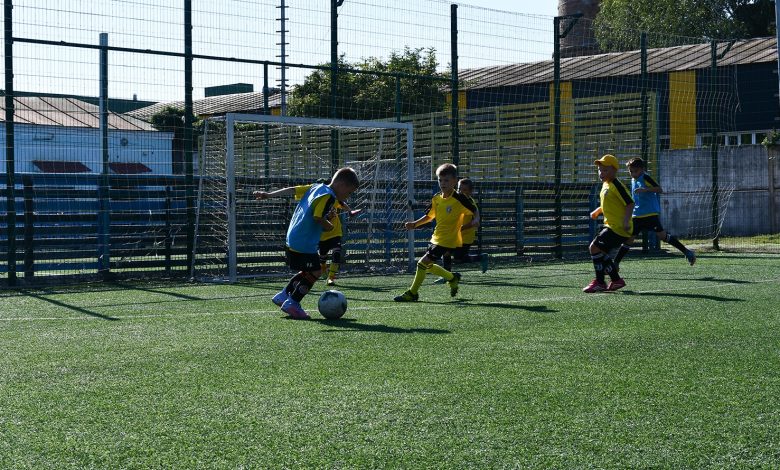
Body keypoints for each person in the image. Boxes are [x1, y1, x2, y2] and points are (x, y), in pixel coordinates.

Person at [253, 168, 359, 319]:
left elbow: (292, 189)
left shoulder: (317, 187)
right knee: (316, 271)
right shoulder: (328, 196)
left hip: (293, 237)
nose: (348, 196)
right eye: (349, 192)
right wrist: (329, 225)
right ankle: (293, 302)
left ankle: (283, 295)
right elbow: (317, 217)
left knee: (307, 270)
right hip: (304, 240)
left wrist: (269, 195)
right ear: (342, 185)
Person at [394, 163, 477, 302]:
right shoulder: (436, 198)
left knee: (422, 263)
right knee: (429, 266)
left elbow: (474, 209)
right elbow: (430, 216)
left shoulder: (460, 198)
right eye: (440, 180)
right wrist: (415, 224)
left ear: (455, 181)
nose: (443, 183)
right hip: (437, 237)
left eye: (446, 180)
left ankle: (412, 293)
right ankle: (452, 277)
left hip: (449, 239)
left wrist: (477, 219)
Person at [613, 157, 696, 268]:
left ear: (642, 169)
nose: (632, 174)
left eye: (635, 171)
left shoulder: (645, 177)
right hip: (637, 215)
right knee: (629, 239)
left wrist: (645, 189)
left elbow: (659, 189)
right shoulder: (633, 180)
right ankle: (615, 263)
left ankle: (687, 252)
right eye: (630, 171)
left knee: (662, 236)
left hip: (650, 214)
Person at [584, 154, 634, 293]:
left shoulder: (616, 185)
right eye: (600, 170)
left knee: (594, 248)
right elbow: (610, 204)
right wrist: (598, 210)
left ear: (614, 170)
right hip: (612, 226)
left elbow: (630, 203)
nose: (601, 173)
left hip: (618, 227)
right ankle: (616, 280)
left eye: (605, 170)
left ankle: (600, 282)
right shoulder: (606, 185)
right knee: (600, 252)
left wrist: (626, 221)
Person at [434, 177, 488, 283]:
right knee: (446, 253)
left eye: (464, 190)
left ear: (470, 191)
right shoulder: (455, 200)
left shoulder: (470, 203)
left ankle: (481, 257)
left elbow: (474, 222)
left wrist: (460, 228)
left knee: (459, 259)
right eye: (459, 189)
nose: (461, 192)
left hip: (466, 237)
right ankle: (446, 276)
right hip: (455, 235)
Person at [319, 199, 361, 287]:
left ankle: (331, 278)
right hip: (322, 236)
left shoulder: (332, 198)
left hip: (336, 233)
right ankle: (323, 267)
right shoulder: (318, 203)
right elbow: (317, 219)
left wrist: (350, 211)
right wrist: (328, 217)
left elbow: (342, 203)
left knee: (337, 253)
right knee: (322, 256)